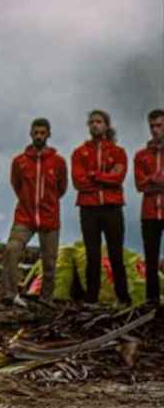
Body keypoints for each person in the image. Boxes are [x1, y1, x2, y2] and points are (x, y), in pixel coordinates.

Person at [1, 119, 68, 306]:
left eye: (42, 132)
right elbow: (17, 185)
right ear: (31, 133)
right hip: (25, 216)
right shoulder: (20, 161)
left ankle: (46, 299)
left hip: (49, 216)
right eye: (36, 132)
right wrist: (28, 201)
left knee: (49, 261)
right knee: (12, 248)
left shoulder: (58, 162)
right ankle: (9, 293)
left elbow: (61, 188)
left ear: (48, 134)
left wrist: (49, 203)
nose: (39, 136)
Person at [71, 109, 131, 306]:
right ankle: (91, 298)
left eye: (99, 121)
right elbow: (79, 182)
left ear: (106, 125)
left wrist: (94, 175)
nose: (95, 125)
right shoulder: (79, 152)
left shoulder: (118, 152)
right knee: (92, 255)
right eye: (92, 122)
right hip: (88, 209)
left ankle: (123, 298)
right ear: (89, 126)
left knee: (116, 254)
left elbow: (118, 178)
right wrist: (106, 178)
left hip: (112, 208)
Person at [134, 108, 164, 306]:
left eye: (159, 125)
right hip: (149, 213)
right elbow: (140, 185)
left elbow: (148, 183)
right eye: (152, 126)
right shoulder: (141, 155)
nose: (155, 130)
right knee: (151, 260)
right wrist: (155, 180)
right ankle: (151, 302)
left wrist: (151, 180)